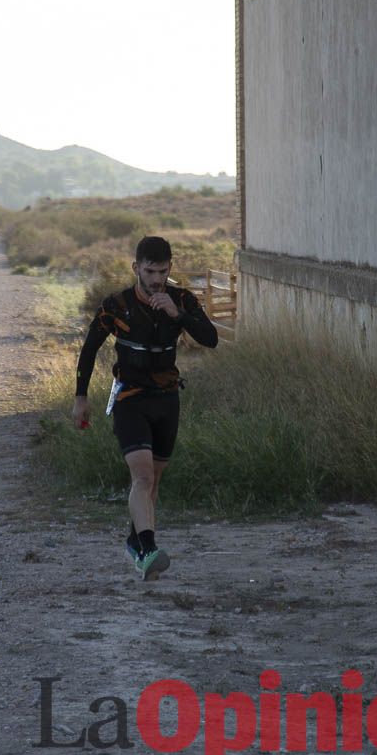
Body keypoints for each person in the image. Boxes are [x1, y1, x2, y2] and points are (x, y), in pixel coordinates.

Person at [71, 236, 218, 581]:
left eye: (163, 272)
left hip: (167, 399)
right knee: (142, 475)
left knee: (154, 483)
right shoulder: (116, 305)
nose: (156, 279)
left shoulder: (180, 299)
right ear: (136, 268)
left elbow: (210, 339)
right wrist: (81, 397)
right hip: (130, 397)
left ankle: (134, 543)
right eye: (150, 271)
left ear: (170, 268)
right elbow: (89, 349)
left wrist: (178, 314)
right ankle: (149, 550)